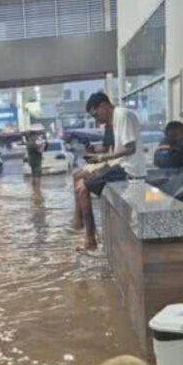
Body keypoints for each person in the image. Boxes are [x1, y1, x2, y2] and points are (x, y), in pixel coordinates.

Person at [71, 92, 141, 251]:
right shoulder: (115, 119)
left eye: (96, 115)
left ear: (103, 106)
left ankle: (89, 239)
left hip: (127, 169)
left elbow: (130, 148)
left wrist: (102, 158)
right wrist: (99, 156)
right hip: (119, 166)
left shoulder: (122, 115)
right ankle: (85, 230)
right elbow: (117, 148)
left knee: (82, 187)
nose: (97, 120)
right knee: (79, 183)